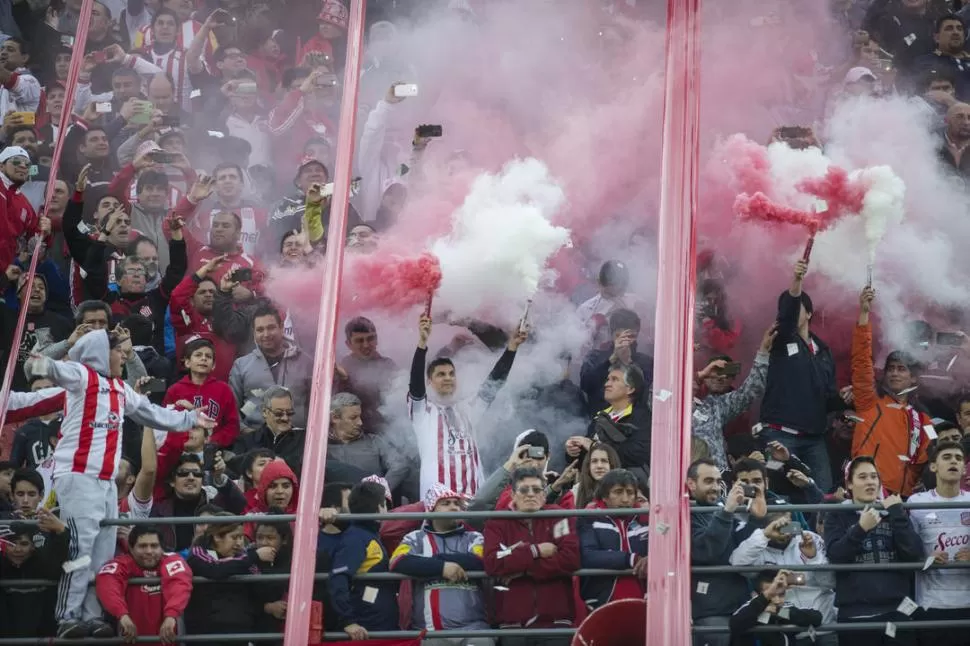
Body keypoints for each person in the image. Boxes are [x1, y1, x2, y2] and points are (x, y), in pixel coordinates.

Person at [24, 329, 210, 639]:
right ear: (99, 352)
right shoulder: (81, 376)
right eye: (117, 351)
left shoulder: (121, 389)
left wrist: (190, 420)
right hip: (78, 475)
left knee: (102, 553)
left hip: (107, 481)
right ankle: (67, 615)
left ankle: (93, 615)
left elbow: (153, 414)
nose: (123, 356)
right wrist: (39, 361)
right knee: (79, 549)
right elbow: (43, 369)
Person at [408, 313, 528, 496]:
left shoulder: (467, 408)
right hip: (439, 501)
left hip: (473, 497)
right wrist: (422, 343)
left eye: (451, 373)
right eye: (440, 374)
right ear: (429, 381)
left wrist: (512, 348)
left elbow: (494, 383)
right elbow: (415, 386)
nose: (447, 378)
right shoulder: (423, 413)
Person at [824, 456, 926, 645]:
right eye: (862, 477)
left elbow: (915, 554)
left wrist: (897, 514)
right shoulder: (837, 514)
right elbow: (836, 556)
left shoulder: (894, 513)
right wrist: (860, 529)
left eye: (874, 476)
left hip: (898, 612)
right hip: (855, 616)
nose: (870, 481)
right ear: (850, 484)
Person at [759, 259, 838, 495]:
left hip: (814, 439)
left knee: (822, 494)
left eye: (797, 308)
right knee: (775, 492)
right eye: (785, 308)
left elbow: (828, 397)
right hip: (779, 434)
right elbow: (786, 315)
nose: (790, 312)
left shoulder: (824, 352)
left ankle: (819, 533)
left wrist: (846, 399)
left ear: (810, 313)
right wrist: (796, 281)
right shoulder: (782, 340)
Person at [483, 467, 579, 646]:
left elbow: (570, 558)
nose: (530, 495)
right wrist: (535, 551)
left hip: (555, 622)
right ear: (513, 495)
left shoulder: (559, 517)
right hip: (513, 623)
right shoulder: (497, 522)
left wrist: (522, 569)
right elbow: (492, 561)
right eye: (524, 490)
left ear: (544, 494)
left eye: (536, 490)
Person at [851, 286, 932, 496]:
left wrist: (918, 484)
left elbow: (931, 454)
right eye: (890, 369)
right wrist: (864, 313)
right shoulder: (869, 401)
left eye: (901, 369)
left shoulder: (924, 418)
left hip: (905, 498)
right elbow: (861, 361)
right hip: (870, 494)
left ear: (913, 376)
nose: (894, 374)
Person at [389, 484, 491, 641]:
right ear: (431, 509)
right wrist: (442, 568)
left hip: (474, 631)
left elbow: (479, 561)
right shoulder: (414, 538)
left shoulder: (475, 537)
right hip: (430, 633)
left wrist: (433, 562)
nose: (454, 507)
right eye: (446, 503)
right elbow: (397, 561)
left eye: (457, 504)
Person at [729, 513, 837, 646]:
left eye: (787, 525)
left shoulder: (809, 538)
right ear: (766, 526)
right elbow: (736, 564)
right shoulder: (757, 543)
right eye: (777, 526)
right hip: (790, 633)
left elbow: (830, 583)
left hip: (825, 627)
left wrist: (813, 559)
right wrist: (764, 536)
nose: (784, 531)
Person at [688, 457, 757, 646]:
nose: (716, 488)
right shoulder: (685, 513)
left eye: (719, 482)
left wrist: (758, 518)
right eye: (708, 481)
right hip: (712, 612)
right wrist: (727, 512)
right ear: (691, 484)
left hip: (741, 607)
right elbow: (705, 551)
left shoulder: (726, 509)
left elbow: (748, 547)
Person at [908, 440, 970, 646]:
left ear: (963, 469)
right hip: (931, 605)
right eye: (947, 457)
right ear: (933, 466)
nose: (954, 461)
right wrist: (925, 559)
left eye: (958, 458)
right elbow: (906, 549)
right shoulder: (916, 502)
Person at [184, 515, 278, 645]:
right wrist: (254, 556)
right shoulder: (198, 553)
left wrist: (264, 564)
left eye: (241, 537)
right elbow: (215, 569)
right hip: (206, 635)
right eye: (234, 537)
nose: (239, 543)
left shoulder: (244, 557)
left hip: (241, 632)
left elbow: (262, 589)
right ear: (217, 537)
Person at [693, 324, 774, 470]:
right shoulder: (679, 399)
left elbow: (750, 391)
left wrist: (763, 350)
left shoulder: (717, 405)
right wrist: (699, 377)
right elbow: (658, 397)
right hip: (682, 479)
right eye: (716, 370)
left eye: (728, 373)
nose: (721, 376)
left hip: (717, 480)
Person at [95, 525, 192, 644]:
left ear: (162, 548)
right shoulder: (122, 563)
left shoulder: (172, 561)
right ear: (131, 548)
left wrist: (171, 615)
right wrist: (121, 614)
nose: (149, 551)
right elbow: (107, 584)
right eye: (142, 546)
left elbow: (180, 585)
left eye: (154, 546)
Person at [328, 480, 398, 641]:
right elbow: (338, 577)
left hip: (376, 628)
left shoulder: (366, 535)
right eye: (385, 504)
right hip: (365, 631)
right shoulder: (357, 538)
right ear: (379, 507)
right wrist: (348, 621)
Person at [229, 304, 313, 431]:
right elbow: (231, 408)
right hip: (255, 440)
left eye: (271, 328)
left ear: (281, 328)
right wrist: (245, 432)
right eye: (260, 330)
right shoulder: (241, 365)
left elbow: (318, 404)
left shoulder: (305, 362)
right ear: (254, 333)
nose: (266, 334)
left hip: (297, 439)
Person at [578, 469, 649, 610]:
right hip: (601, 602)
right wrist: (631, 559)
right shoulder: (589, 518)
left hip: (646, 601)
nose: (625, 499)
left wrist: (652, 558)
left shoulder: (646, 519)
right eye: (618, 492)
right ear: (605, 496)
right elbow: (588, 555)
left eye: (630, 493)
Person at [568, 363, 650, 480]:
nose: (607, 384)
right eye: (608, 380)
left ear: (630, 389)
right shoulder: (600, 416)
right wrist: (573, 451)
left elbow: (636, 454)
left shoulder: (642, 418)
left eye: (614, 380)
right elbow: (585, 459)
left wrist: (595, 446)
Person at [150, 453, 246, 551]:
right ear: (172, 481)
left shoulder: (213, 501)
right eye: (183, 473)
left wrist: (219, 477)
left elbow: (239, 504)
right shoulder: (159, 509)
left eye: (197, 474)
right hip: (172, 563)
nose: (191, 477)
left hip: (211, 562)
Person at [0, 512, 70, 638]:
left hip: (39, 635)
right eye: (11, 544)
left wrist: (62, 532)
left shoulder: (41, 566)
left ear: (33, 546)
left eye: (24, 544)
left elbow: (56, 564)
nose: (17, 549)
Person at [327, 392, 410, 496]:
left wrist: (380, 491)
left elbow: (400, 465)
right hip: (333, 509)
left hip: (369, 509)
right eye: (353, 418)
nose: (360, 423)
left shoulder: (374, 442)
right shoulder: (320, 447)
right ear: (335, 418)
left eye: (359, 417)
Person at [162, 337, 240, 448]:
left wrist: (211, 440)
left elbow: (232, 426)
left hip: (214, 448)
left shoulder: (224, 389)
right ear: (187, 362)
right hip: (181, 449)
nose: (203, 359)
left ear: (213, 365)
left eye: (208, 356)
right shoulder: (175, 390)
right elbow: (166, 422)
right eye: (198, 355)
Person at [580, 308, 653, 416]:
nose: (626, 341)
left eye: (631, 336)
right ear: (611, 334)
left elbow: (644, 395)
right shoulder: (595, 356)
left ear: (637, 335)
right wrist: (611, 360)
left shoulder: (646, 362)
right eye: (619, 336)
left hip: (634, 423)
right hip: (599, 420)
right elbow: (586, 385)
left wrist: (628, 363)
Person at [729, 569, 824, 646]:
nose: (777, 600)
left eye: (781, 594)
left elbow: (816, 618)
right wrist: (763, 607)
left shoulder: (783, 608)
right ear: (755, 595)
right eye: (771, 595)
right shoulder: (749, 607)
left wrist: (778, 612)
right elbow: (735, 623)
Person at [336, 316, 397, 430]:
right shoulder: (343, 367)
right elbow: (338, 406)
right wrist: (344, 380)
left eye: (370, 339)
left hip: (386, 430)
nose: (366, 345)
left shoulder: (389, 365)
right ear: (348, 344)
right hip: (354, 432)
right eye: (359, 340)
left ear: (377, 339)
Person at [231, 386, 307, 476]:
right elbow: (233, 473)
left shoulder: (305, 440)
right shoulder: (246, 442)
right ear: (265, 412)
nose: (285, 418)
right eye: (279, 413)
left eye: (289, 413)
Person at [10, 376, 61, 469]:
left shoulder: (69, 424)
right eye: (38, 391)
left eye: (48, 389)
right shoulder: (24, 431)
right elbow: (15, 466)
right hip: (37, 482)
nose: (43, 394)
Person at [572, 442, 622, 510]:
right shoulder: (576, 491)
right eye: (594, 461)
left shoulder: (625, 489)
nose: (599, 466)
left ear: (612, 465)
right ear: (588, 466)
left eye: (604, 461)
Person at [940, 101, 970, 176]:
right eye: (959, 117)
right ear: (946, 120)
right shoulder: (930, 144)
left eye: (969, 117)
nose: (966, 122)